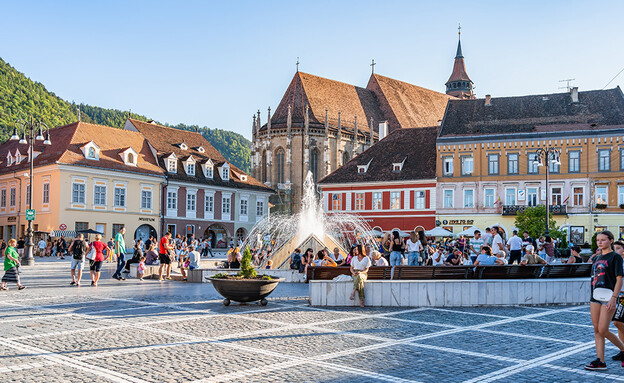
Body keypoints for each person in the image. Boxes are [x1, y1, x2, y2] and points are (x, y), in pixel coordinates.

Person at [585, 230, 624, 370]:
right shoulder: (596, 258)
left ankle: (623, 349)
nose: (600, 242)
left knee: (603, 329)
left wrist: (614, 298)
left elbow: (619, 280)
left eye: (603, 240)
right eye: (598, 240)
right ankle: (600, 361)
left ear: (611, 241)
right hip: (595, 296)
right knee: (597, 330)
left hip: (609, 297)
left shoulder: (615, 257)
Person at [611, 241, 624, 361]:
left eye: (618, 248)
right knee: (618, 323)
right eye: (614, 248)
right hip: (619, 296)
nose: (615, 251)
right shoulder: (615, 262)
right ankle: (622, 350)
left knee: (617, 322)